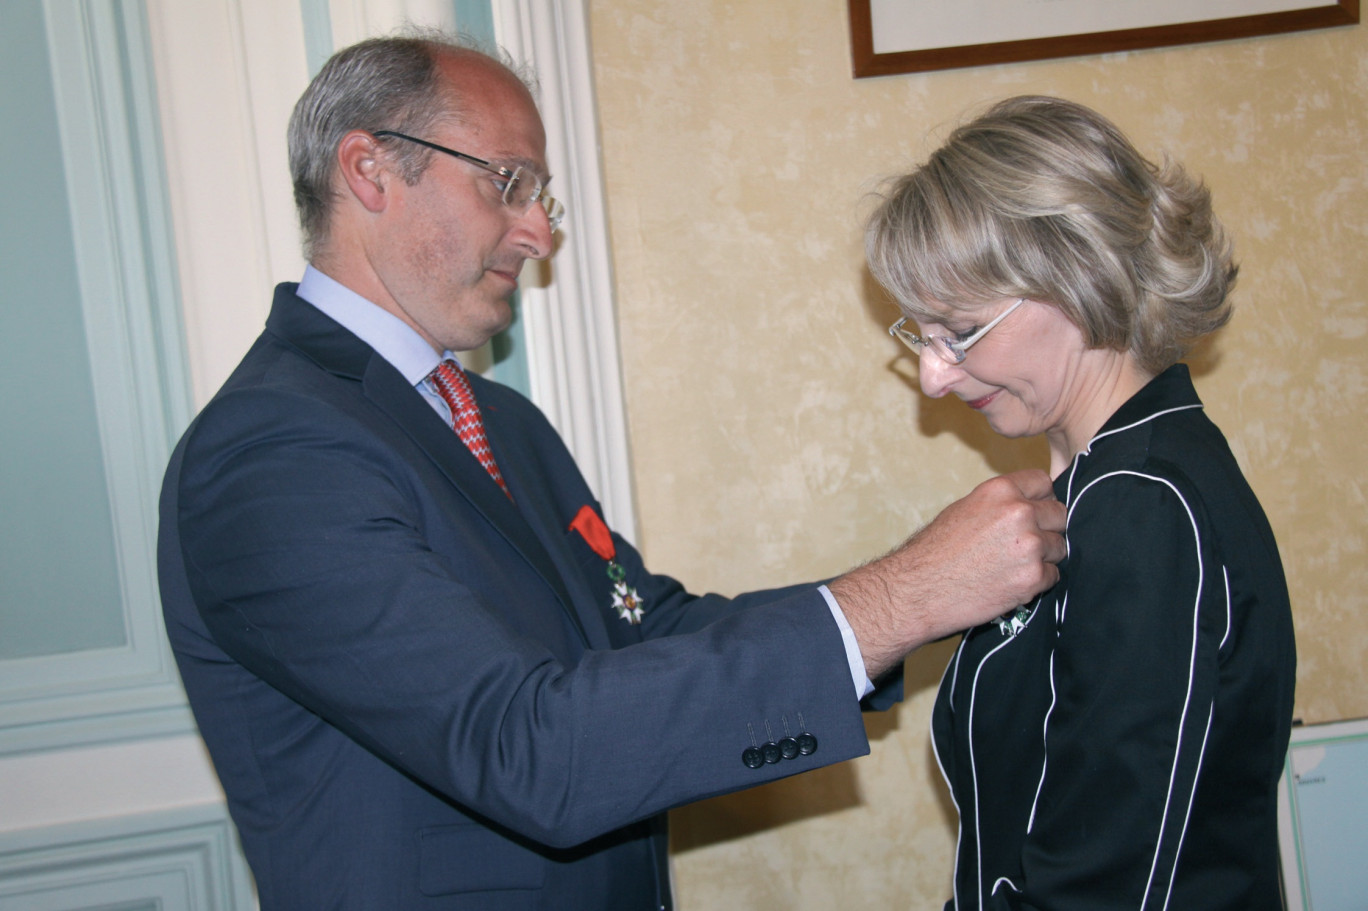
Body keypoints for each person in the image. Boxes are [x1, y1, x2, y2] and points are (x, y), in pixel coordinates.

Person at [157, 33, 1067, 911]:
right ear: (370, 171)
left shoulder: (496, 420)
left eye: (539, 197)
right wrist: (906, 596)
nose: (537, 235)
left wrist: (938, 588)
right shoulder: (271, 452)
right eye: (508, 184)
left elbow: (645, 629)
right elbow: (530, 748)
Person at [865, 95, 1296, 910]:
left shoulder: (1145, 504)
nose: (934, 375)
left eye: (958, 331)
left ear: (1079, 275)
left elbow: (1104, 885)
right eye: (918, 336)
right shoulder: (1103, 486)